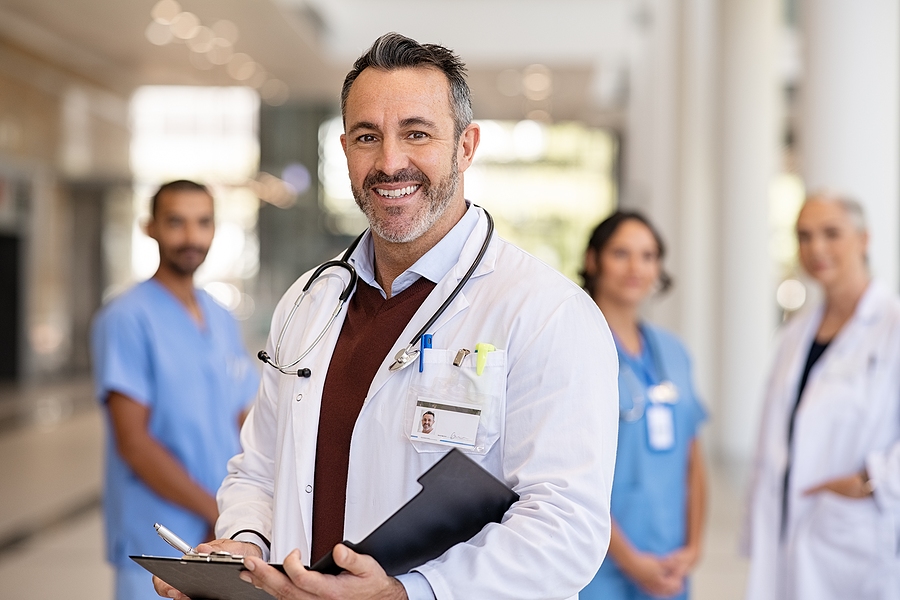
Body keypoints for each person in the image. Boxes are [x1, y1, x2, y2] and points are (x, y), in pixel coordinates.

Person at [155, 32, 618, 600]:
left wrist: (409, 594)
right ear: (345, 148)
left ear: (466, 146)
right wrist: (244, 548)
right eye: (367, 137)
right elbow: (258, 469)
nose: (390, 162)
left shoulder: (546, 313)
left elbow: (566, 527)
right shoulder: (310, 301)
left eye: (417, 134)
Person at [91, 180, 260, 600]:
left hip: (223, 534)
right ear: (150, 228)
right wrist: (213, 510)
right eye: (176, 223)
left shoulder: (221, 318)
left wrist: (240, 513)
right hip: (159, 537)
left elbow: (247, 421)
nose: (191, 237)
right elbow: (134, 443)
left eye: (202, 223)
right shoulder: (126, 318)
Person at [744, 193, 900, 599]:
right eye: (804, 236)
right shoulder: (796, 333)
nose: (816, 248)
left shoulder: (892, 325)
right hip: (789, 527)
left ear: (864, 240)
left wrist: (873, 479)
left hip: (857, 537)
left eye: (831, 233)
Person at [579, 211, 708, 600]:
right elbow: (569, 473)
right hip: (599, 566)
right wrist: (632, 563)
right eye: (621, 253)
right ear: (593, 261)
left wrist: (693, 549)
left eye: (649, 256)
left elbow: (693, 459)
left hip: (669, 566)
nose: (637, 267)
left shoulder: (674, 351)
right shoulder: (576, 347)